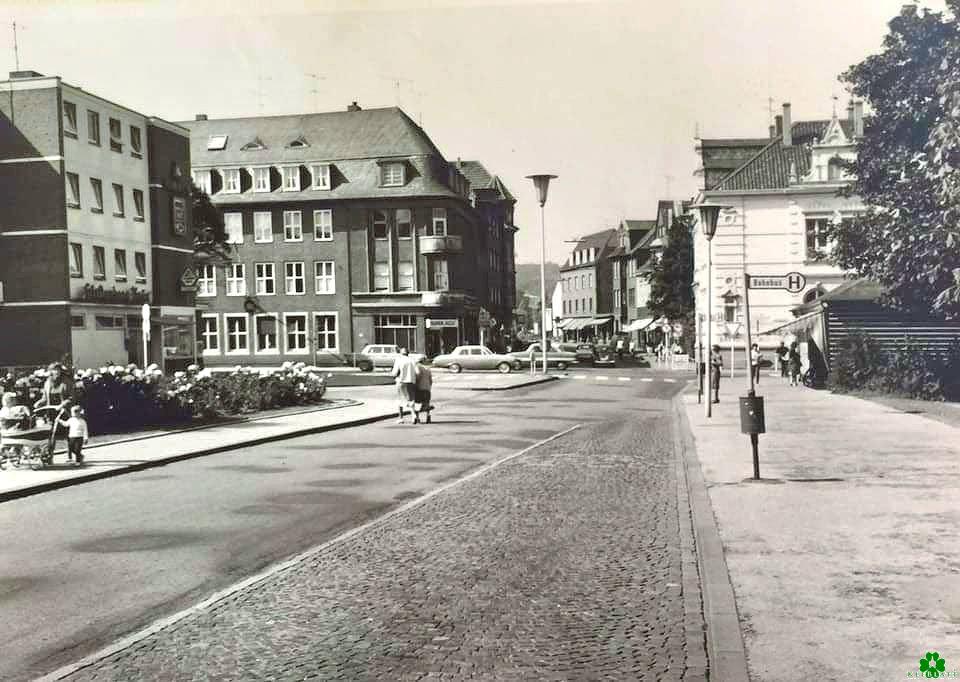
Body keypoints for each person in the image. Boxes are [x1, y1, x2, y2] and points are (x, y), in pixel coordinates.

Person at [390, 347, 420, 424]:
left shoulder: (399, 360)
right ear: (408, 353)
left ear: (401, 353)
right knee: (411, 399)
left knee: (400, 400)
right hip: (411, 381)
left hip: (401, 381)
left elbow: (394, 372)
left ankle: (401, 418)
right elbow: (417, 372)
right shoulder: (412, 360)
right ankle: (413, 415)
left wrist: (393, 376)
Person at [413, 356, 433, 424]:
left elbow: (418, 374)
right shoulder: (428, 368)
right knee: (427, 403)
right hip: (427, 388)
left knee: (418, 403)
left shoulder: (418, 367)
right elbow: (431, 380)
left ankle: (417, 418)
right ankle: (428, 416)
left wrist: (416, 382)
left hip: (420, 388)